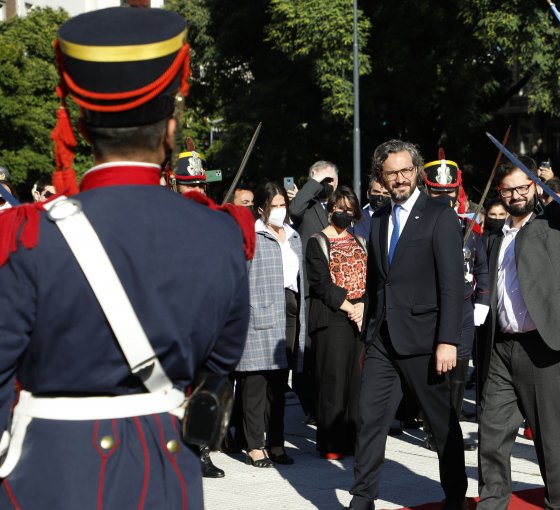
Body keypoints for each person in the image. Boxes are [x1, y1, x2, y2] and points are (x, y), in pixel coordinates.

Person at [0, 7, 253, 507]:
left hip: (45, 476)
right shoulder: (221, 234)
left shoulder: (27, 232)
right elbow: (220, 364)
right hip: (166, 475)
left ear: (81, 125)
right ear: (171, 128)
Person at [477, 125, 560, 510]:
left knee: (550, 438)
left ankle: (559, 505)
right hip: (502, 348)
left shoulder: (554, 223)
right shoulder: (494, 236)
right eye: (507, 190)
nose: (515, 195)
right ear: (499, 194)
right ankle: (492, 503)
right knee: (492, 432)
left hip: (548, 347)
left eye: (522, 187)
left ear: (535, 187)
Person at [349, 140, 467, 510]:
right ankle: (362, 497)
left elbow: (452, 283)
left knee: (441, 424)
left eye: (405, 171)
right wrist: (368, 334)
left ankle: (455, 496)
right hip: (383, 338)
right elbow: (375, 281)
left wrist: (447, 339)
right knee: (369, 419)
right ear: (380, 176)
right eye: (391, 172)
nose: (399, 179)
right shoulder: (379, 217)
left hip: (426, 341)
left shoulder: (439, 214)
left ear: (417, 171)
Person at [421, 154, 489, 451]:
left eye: (450, 193)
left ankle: (452, 426)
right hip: (435, 307)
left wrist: (482, 300)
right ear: (427, 192)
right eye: (438, 193)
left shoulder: (469, 228)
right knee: (437, 371)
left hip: (464, 306)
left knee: (461, 369)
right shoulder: (420, 227)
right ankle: (434, 429)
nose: (445, 199)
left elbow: (482, 266)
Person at [235, 182, 304, 468]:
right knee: (254, 383)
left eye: (282, 205)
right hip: (258, 310)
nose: (279, 210)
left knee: (278, 384)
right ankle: (254, 446)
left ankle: (276, 443)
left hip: (289, 308)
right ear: (261, 208)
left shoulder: (293, 234)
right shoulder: (252, 234)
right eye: (273, 205)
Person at [306, 186, 367, 460]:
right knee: (333, 380)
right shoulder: (317, 241)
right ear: (330, 210)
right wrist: (349, 306)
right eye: (338, 208)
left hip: (358, 317)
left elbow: (371, 278)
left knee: (355, 381)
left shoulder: (359, 241)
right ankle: (331, 441)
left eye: (348, 209)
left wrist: (363, 306)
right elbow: (320, 284)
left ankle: (352, 440)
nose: (343, 214)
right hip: (333, 317)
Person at [287, 160, 339, 423]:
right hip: (311, 290)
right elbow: (293, 210)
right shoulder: (305, 207)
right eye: (323, 181)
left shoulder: (342, 206)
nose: (328, 186)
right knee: (309, 353)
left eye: (332, 180)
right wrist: (315, 184)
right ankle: (312, 407)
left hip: (339, 292)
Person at [352, 177, 391, 241]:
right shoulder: (355, 219)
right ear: (368, 194)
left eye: (386, 193)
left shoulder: (397, 219)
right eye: (376, 192)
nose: (380, 197)